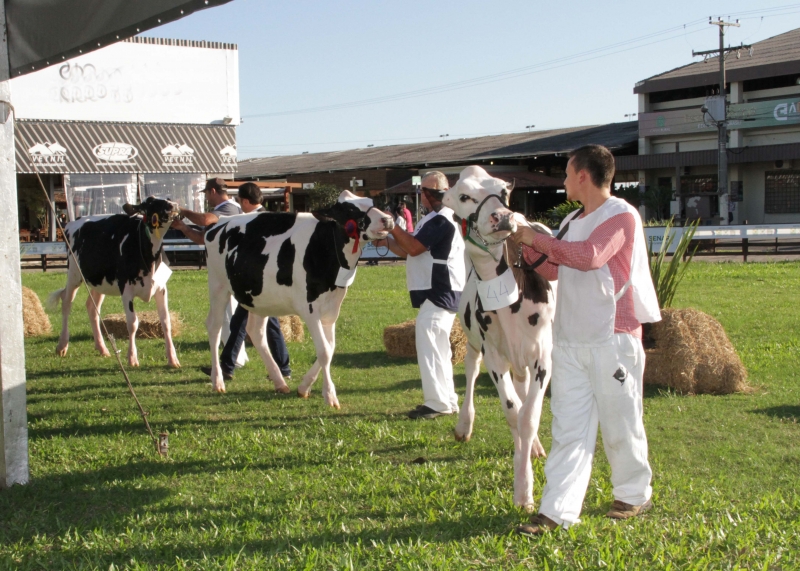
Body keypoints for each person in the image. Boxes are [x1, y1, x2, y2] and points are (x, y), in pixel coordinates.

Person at [510, 145, 662, 535]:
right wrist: (527, 251)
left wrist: (535, 238)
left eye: (566, 173)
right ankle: (556, 510)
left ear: (583, 175)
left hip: (613, 338)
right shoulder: (574, 220)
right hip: (572, 340)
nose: (562, 181)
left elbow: (590, 257)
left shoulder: (621, 216)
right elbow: (560, 270)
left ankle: (632, 494)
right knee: (567, 430)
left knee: (620, 423)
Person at [375, 171, 465, 419]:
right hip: (441, 289)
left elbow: (413, 249)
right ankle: (446, 400)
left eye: (426, 191)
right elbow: (410, 250)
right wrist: (388, 242)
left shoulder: (441, 220)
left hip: (440, 289)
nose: (425, 196)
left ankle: (438, 403)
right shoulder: (436, 220)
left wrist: (393, 228)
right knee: (438, 347)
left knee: (431, 345)